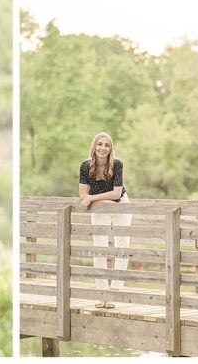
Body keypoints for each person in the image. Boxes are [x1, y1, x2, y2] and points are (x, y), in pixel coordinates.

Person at [77, 131, 129, 310]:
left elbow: (116, 194)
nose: (103, 148)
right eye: (99, 144)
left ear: (110, 148)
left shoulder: (117, 164)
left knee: (122, 245)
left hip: (121, 203)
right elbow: (82, 195)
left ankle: (115, 293)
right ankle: (102, 293)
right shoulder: (85, 166)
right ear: (94, 146)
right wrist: (94, 200)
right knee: (99, 248)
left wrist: (92, 198)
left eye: (106, 145)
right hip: (99, 206)